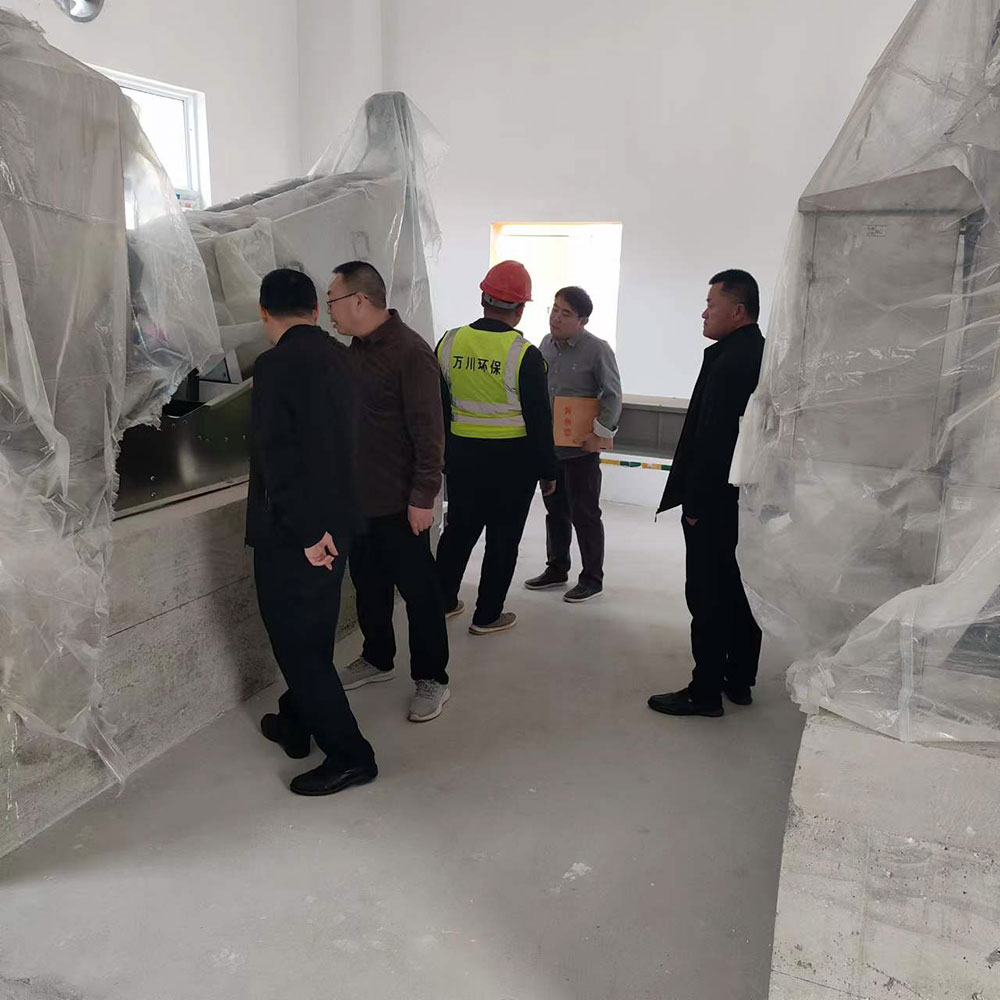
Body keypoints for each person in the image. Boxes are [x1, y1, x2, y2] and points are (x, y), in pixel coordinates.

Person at [247, 268, 377, 796]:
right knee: (314, 633)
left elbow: (277, 458)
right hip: (338, 526)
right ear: (317, 311)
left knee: (297, 646)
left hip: (296, 535)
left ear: (264, 313)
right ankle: (295, 720)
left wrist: (305, 533)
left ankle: (351, 756)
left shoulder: (275, 365)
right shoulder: (342, 357)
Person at [326, 261, 451, 724]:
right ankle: (378, 657)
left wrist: (423, 497)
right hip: (360, 502)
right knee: (369, 586)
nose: (329, 311)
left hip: (401, 503)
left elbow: (429, 433)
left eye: (332, 301)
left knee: (419, 592)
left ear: (359, 300)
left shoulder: (410, 353)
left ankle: (432, 677)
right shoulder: (354, 351)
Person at [648, 269, 765, 718]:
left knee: (708, 594)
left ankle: (705, 692)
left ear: (737, 311)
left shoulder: (729, 362)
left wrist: (694, 505)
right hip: (747, 499)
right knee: (739, 590)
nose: (704, 312)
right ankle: (739, 679)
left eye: (711, 305)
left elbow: (713, 441)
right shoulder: (760, 353)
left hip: (716, 502)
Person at [435, 260, 558, 635]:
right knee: (503, 540)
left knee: (458, 531)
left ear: (483, 299)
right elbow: (539, 420)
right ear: (520, 309)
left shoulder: (449, 342)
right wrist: (548, 471)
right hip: (512, 464)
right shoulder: (525, 354)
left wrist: (443, 454)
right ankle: (487, 616)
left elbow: (438, 405)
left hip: (462, 458)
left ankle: (442, 602)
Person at [525, 286, 622, 603]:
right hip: (551, 448)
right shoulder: (545, 344)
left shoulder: (597, 350)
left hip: (581, 449)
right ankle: (556, 568)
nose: (556, 317)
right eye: (554, 309)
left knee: (585, 513)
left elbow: (612, 396)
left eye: (565, 313)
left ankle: (592, 578)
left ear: (582, 320)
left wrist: (600, 433)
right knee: (555, 511)